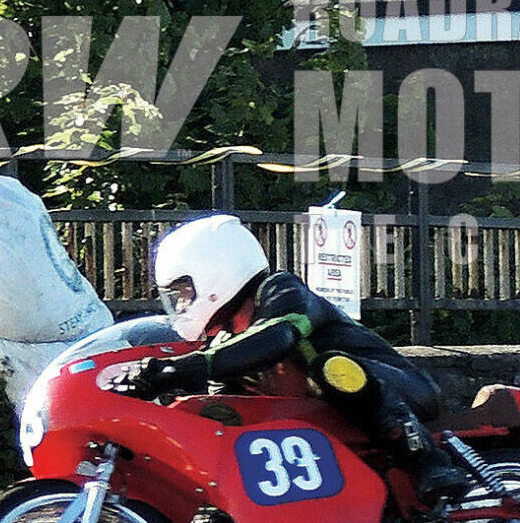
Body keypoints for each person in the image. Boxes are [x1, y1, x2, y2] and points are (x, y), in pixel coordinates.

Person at [104, 213, 470, 505]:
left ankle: (427, 461)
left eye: (185, 291)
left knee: (331, 369)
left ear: (216, 269)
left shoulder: (279, 290)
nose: (182, 304)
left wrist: (179, 368)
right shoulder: (226, 339)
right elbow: (218, 398)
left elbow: (275, 337)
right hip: (333, 427)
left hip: (402, 390)